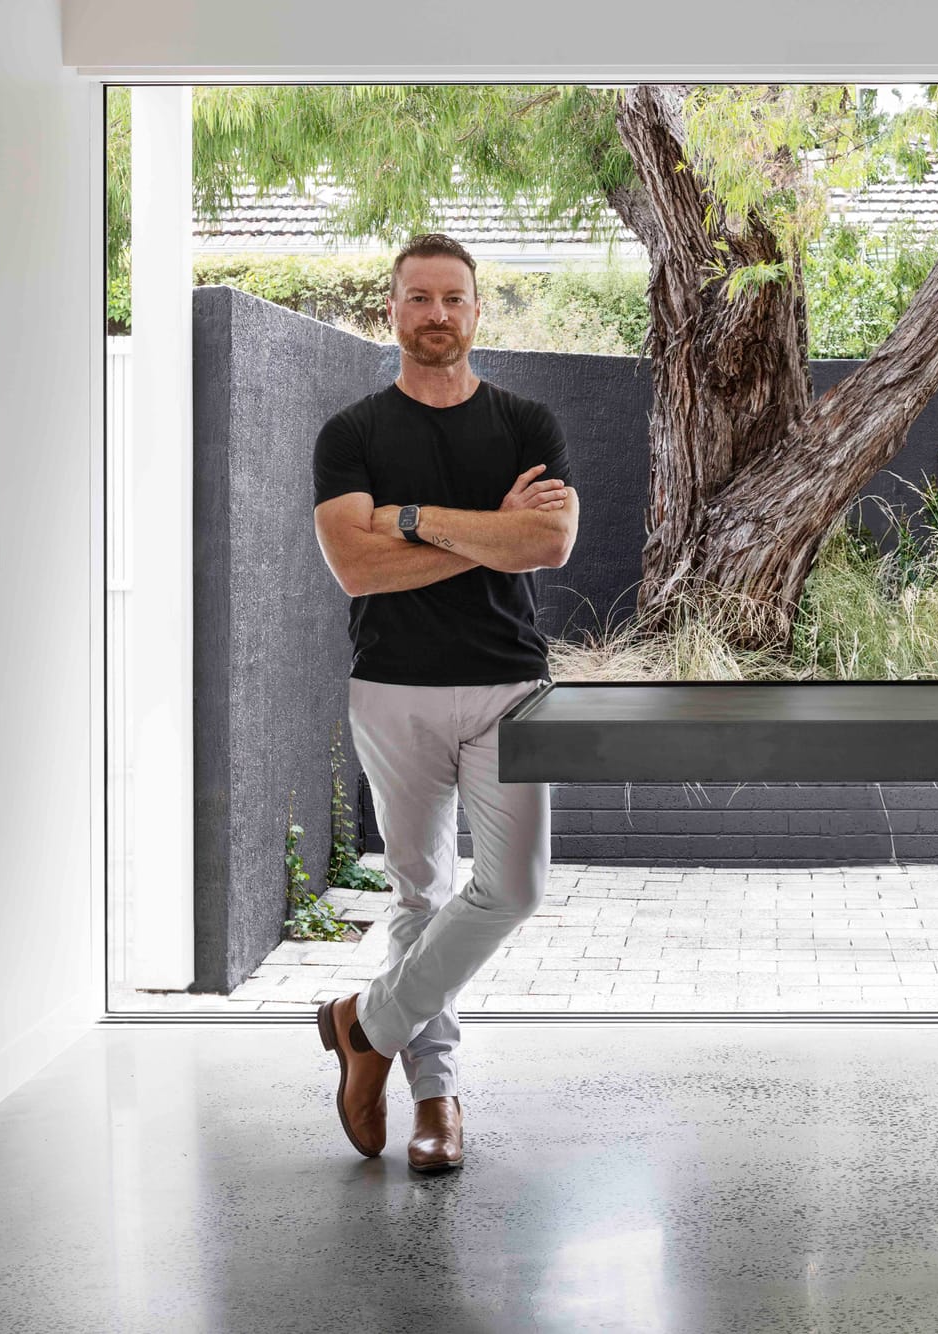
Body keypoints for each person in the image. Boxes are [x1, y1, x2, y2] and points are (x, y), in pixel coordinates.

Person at [309, 233, 579, 1173]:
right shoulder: (352, 434)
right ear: (393, 310)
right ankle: (437, 1100)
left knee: (513, 887)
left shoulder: (526, 422)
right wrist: (490, 532)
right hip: (393, 688)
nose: (435, 314)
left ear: (476, 309)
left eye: (452, 299)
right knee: (419, 891)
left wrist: (414, 518)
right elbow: (353, 564)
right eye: (417, 297)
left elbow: (547, 548)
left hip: (510, 682)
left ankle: (364, 1025)